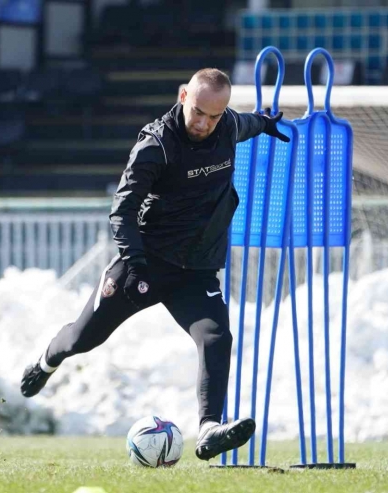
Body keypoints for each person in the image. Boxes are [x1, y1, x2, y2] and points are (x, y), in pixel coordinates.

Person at [21, 68, 289, 461]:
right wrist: (136, 262)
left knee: (217, 336)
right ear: (183, 96)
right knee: (83, 338)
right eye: (199, 112)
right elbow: (122, 210)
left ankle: (209, 428)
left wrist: (264, 123)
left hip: (196, 270)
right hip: (146, 263)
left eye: (215, 116)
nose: (205, 124)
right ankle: (46, 361)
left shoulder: (228, 124)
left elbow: (244, 123)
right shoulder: (156, 144)